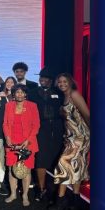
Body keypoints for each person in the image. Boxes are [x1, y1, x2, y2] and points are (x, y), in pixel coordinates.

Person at [49, 73, 90, 210]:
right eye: (59, 82)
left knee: (63, 164)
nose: (62, 84)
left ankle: (60, 202)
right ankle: (75, 202)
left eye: (64, 81)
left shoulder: (74, 95)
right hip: (70, 138)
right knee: (77, 167)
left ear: (70, 82)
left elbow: (87, 115)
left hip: (81, 137)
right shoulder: (64, 96)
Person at [27, 67, 64, 202]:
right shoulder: (32, 93)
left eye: (45, 77)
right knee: (41, 159)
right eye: (41, 77)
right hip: (40, 129)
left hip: (57, 128)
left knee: (57, 159)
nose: (42, 79)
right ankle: (41, 189)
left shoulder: (58, 93)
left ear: (50, 80)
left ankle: (55, 189)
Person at [3, 84, 40, 207]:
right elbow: (5, 124)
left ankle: (25, 195)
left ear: (25, 94)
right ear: (13, 94)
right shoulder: (8, 105)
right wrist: (7, 137)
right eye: (17, 92)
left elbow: (36, 126)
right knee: (11, 169)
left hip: (27, 143)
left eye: (22, 92)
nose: (19, 94)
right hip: (12, 143)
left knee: (26, 170)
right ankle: (13, 194)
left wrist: (28, 141)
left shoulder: (32, 106)